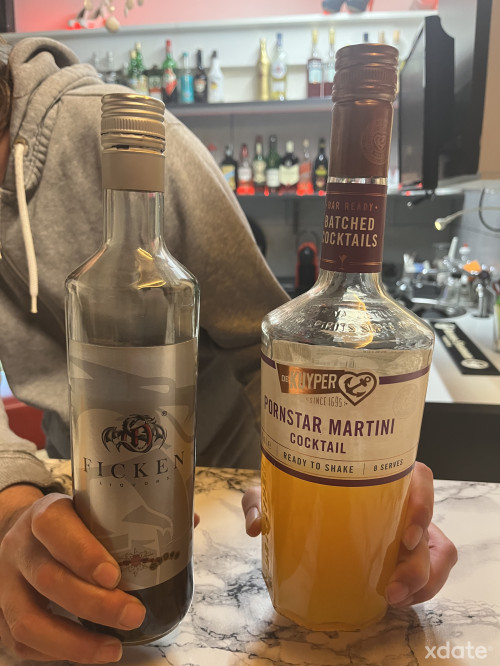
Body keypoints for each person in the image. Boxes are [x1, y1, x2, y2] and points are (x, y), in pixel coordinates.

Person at [0, 37, 456, 663]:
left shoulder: (124, 125)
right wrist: (11, 498)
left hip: (219, 497)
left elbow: (270, 355)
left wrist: (335, 497)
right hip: (73, 492)